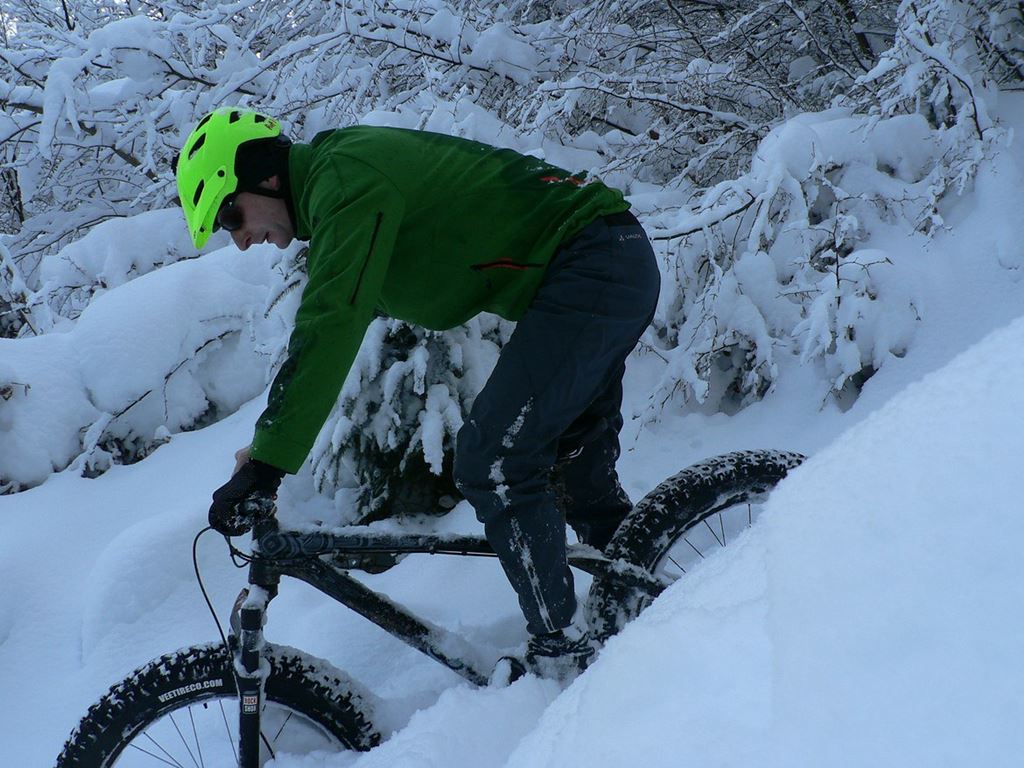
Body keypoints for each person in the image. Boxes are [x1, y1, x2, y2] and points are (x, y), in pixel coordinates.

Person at [175, 107, 660, 680]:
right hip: (599, 266)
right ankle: (653, 602)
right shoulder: (339, 194)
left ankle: (563, 654)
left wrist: (270, 461)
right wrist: (261, 452)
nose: (240, 240)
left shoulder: (346, 179)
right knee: (573, 471)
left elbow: (330, 321)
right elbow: (326, 334)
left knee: (494, 459)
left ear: (266, 175)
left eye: (231, 214)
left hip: (596, 264)